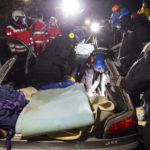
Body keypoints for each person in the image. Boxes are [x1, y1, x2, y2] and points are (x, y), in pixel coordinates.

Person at [117, 7, 150, 75]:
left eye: (121, 20)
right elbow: (127, 47)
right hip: (127, 67)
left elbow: (142, 53)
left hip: (137, 70)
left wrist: (122, 61)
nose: (120, 24)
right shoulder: (129, 29)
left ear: (125, 18)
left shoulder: (141, 28)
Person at [5, 10, 33, 85]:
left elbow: (29, 37)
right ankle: (18, 83)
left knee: (26, 67)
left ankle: (25, 81)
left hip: (26, 51)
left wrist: (31, 47)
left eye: (24, 18)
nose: (24, 20)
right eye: (22, 18)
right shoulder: (10, 27)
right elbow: (11, 41)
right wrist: (14, 53)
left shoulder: (24, 26)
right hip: (17, 52)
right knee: (17, 69)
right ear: (16, 18)